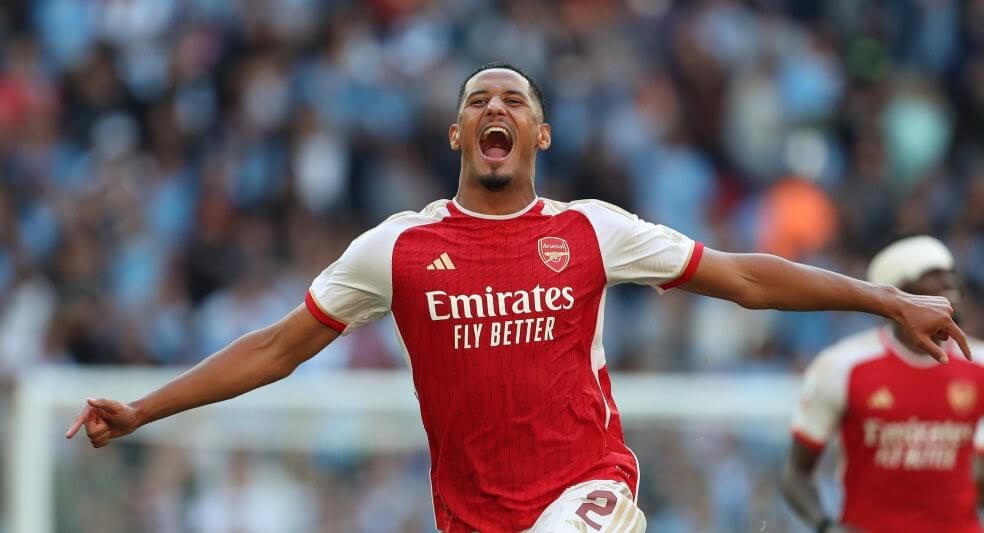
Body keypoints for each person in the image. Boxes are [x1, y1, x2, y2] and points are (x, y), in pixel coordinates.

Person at [66, 63, 971, 532]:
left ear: (539, 131)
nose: (495, 107)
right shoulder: (397, 249)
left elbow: (742, 275)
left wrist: (884, 301)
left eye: (514, 99)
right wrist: (145, 408)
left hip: (590, 491)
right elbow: (276, 346)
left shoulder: (591, 231)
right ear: (456, 131)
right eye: (478, 99)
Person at [781, 236, 984, 533]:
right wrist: (825, 526)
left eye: (952, 274)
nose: (951, 284)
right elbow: (795, 473)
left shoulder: (979, 364)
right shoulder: (842, 366)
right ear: (899, 292)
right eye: (934, 275)